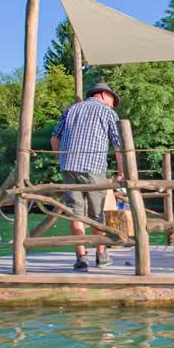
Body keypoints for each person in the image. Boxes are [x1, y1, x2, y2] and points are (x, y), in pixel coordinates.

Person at [51, 83, 125, 271]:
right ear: (102, 95)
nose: (113, 105)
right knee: (97, 213)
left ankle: (81, 258)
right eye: (112, 100)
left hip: (68, 167)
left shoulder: (71, 110)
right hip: (93, 167)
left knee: (75, 213)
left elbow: (54, 138)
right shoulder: (107, 113)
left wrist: (61, 160)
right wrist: (122, 172)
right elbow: (119, 146)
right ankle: (101, 254)